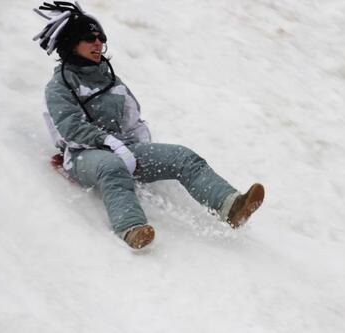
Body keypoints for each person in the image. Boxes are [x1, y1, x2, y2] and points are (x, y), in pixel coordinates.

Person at [33, 2, 265, 249]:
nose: (98, 43)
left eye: (101, 37)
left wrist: (141, 152)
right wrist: (111, 143)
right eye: (90, 38)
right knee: (112, 166)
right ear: (70, 43)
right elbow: (71, 129)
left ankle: (231, 206)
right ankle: (131, 227)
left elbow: (133, 120)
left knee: (181, 157)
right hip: (82, 156)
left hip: (124, 148)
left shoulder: (111, 80)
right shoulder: (59, 87)